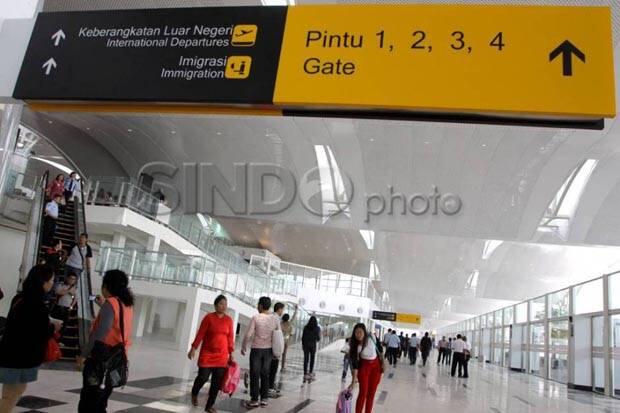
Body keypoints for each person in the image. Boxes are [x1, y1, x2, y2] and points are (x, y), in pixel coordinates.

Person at [0, 265, 61, 413]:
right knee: (11, 395)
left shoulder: (20, 298)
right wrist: (54, 327)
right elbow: (38, 333)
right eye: (51, 280)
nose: (52, 283)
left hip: (11, 353)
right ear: (42, 282)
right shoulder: (37, 304)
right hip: (21, 357)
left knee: (12, 392)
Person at [78, 270, 134, 412]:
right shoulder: (126, 304)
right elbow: (116, 323)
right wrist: (104, 307)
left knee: (88, 403)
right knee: (101, 400)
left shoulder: (111, 303)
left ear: (107, 286)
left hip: (100, 360)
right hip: (116, 360)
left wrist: (84, 354)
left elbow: (100, 333)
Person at [188, 294, 234, 412]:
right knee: (202, 377)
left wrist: (231, 353)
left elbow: (230, 337)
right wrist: (193, 348)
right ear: (215, 305)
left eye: (225, 304)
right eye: (221, 304)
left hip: (222, 356)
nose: (224, 306)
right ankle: (194, 392)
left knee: (216, 382)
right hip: (207, 354)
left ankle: (209, 406)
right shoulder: (209, 317)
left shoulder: (228, 320)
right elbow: (201, 334)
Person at [241, 296, 279, 408]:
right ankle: (264, 399)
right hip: (268, 351)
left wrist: (243, 346)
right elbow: (278, 335)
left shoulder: (255, 317)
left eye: (258, 304)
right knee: (265, 374)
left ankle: (254, 399)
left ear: (261, 306)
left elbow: (248, 334)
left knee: (254, 374)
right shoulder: (274, 319)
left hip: (256, 350)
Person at [348, 323, 383, 413]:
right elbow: (355, 365)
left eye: (360, 332)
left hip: (376, 368)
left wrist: (382, 362)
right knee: (363, 393)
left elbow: (380, 349)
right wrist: (353, 381)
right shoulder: (354, 345)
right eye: (356, 333)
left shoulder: (371, 336)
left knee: (371, 394)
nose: (358, 335)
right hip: (364, 368)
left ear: (364, 332)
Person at [268, 302, 286, 395]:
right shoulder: (276, 319)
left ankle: (268, 386)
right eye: (282, 309)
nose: (283, 311)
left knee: (268, 368)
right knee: (273, 368)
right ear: (279, 309)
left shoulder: (270, 316)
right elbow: (277, 335)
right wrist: (279, 351)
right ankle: (270, 387)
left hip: (268, 346)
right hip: (273, 348)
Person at [301, 316, 321, 382]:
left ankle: (305, 373)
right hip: (313, 346)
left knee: (306, 359)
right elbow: (318, 338)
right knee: (312, 359)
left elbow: (303, 337)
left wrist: (303, 345)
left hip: (306, 345)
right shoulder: (317, 328)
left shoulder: (305, 327)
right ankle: (310, 372)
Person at [280, 304, 298, 372]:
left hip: (279, 341)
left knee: (277, 354)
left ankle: (273, 366)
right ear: (288, 318)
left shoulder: (280, 324)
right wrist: (296, 310)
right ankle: (282, 367)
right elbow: (294, 317)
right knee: (284, 355)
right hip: (286, 341)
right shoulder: (289, 324)